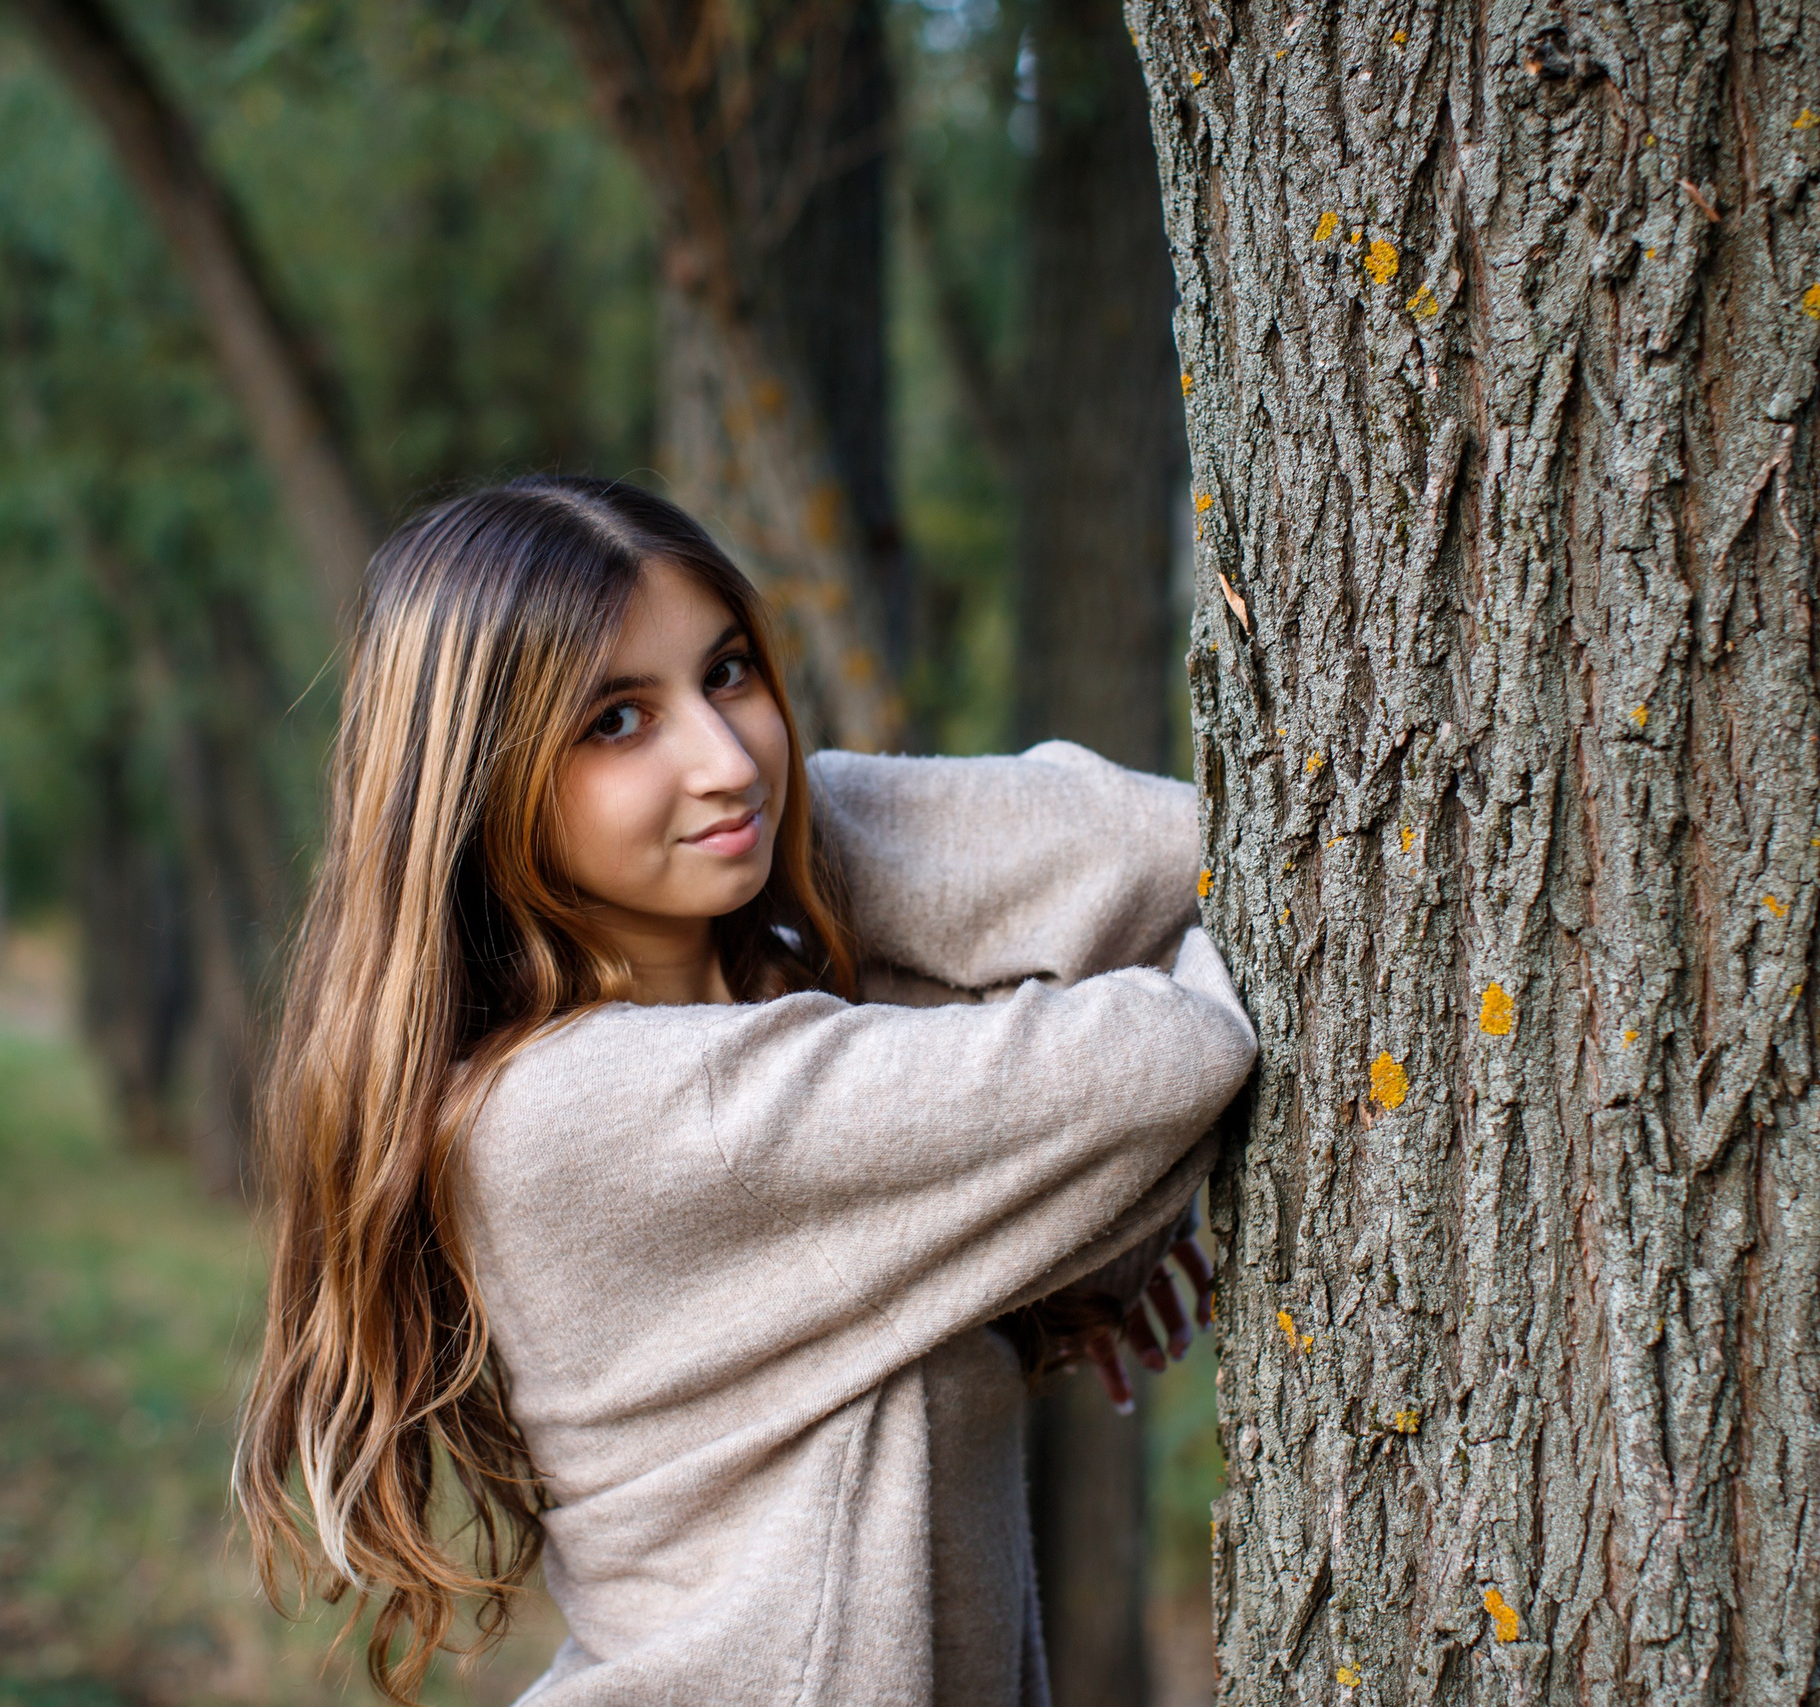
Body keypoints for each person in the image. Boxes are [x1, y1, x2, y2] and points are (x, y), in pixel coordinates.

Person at [234, 476, 1258, 1706]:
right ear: (478, 786)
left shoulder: (769, 976)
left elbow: (1196, 847)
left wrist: (812, 820)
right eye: (616, 720)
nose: (724, 760)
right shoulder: (570, 1117)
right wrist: (1124, 1196)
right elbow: (1170, 1060)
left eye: (726, 675)